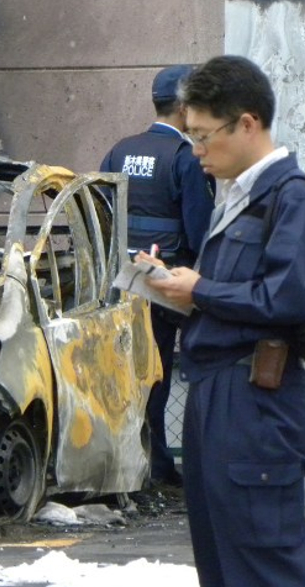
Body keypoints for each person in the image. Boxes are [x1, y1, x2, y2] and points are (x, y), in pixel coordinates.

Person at [143, 55, 305, 587]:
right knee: (221, 559)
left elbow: (288, 298)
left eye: (204, 136)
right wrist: (175, 288)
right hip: (216, 391)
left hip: (256, 397)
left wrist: (200, 288)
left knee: (263, 559)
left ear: (247, 123)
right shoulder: (235, 199)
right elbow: (236, 296)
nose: (197, 151)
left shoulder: (294, 199)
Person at [100, 64, 214, 487]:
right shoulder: (184, 158)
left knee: (124, 375)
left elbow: (101, 211)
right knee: (158, 373)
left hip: (119, 282)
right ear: (184, 108)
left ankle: (131, 460)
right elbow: (201, 229)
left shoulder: (121, 149)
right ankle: (158, 464)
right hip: (165, 286)